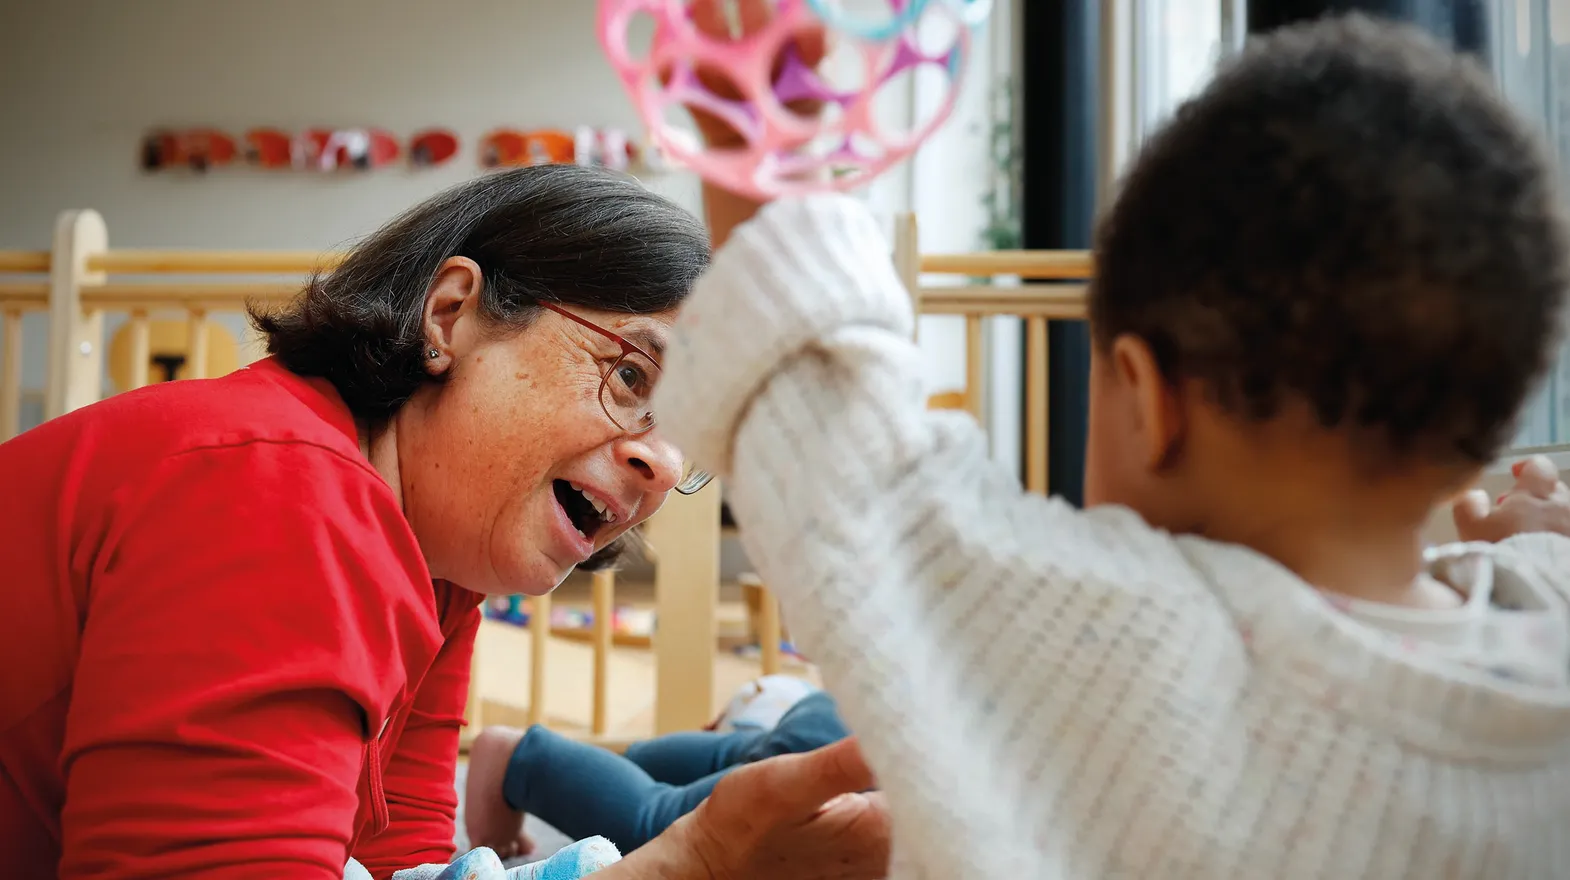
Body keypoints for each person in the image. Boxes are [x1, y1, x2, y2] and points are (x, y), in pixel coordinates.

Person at [652, 10, 1570, 878]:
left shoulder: (1118, 640)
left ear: (1148, 394)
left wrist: (759, 106)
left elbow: (841, 447)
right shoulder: (1542, 633)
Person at [0, 161, 890, 879]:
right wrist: (689, 861)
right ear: (451, 313)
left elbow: (402, 863)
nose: (660, 465)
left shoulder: (440, 571)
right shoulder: (281, 491)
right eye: (630, 378)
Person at [465, 679, 849, 858]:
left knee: (739, 758)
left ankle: (623, 770)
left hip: (834, 712)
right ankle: (519, 759)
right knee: (672, 830)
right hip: (843, 746)